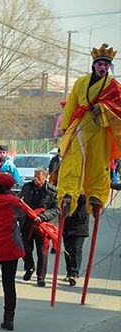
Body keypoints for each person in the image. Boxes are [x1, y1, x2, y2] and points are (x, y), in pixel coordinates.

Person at [58, 43, 121, 209]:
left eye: (106, 64)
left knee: (98, 163)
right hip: (80, 126)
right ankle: (68, 193)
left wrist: (102, 108)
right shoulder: (81, 82)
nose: (103, 67)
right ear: (94, 65)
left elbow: (119, 107)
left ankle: (95, 195)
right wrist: (65, 128)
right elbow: (71, 104)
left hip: (100, 129)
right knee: (72, 160)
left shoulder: (114, 86)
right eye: (100, 64)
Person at [0, 173, 39, 331]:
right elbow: (24, 213)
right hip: (10, 248)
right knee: (9, 284)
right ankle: (9, 320)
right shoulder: (14, 201)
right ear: (11, 186)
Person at [19, 167, 59, 287]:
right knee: (25, 249)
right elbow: (20, 202)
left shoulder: (52, 191)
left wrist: (42, 217)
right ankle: (29, 267)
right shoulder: (27, 187)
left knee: (42, 252)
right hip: (27, 223)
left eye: (39, 177)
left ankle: (41, 277)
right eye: (35, 176)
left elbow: (56, 209)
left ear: (45, 177)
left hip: (42, 226)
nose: (36, 179)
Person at [62, 194, 89, 286]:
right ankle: (69, 272)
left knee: (76, 249)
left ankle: (74, 273)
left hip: (80, 226)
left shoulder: (82, 194)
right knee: (67, 250)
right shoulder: (64, 192)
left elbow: (83, 199)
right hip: (67, 225)